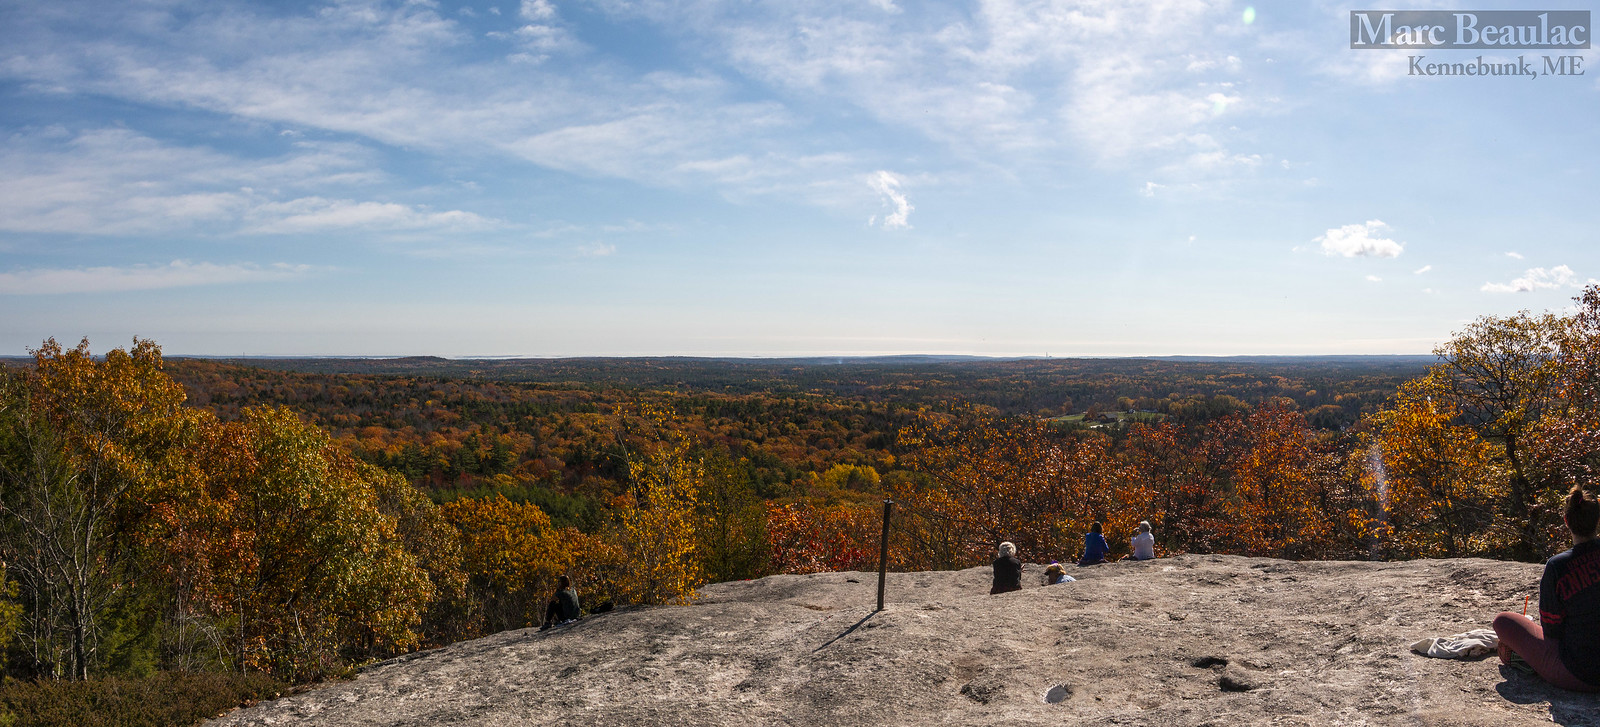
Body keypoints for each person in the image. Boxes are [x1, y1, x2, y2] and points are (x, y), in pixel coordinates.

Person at [1491, 485, 1600, 692]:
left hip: (1579, 673)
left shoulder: (1558, 566)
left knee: (1503, 622)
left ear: (1566, 521)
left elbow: (1551, 631)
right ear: (1597, 520)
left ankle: (1526, 661)